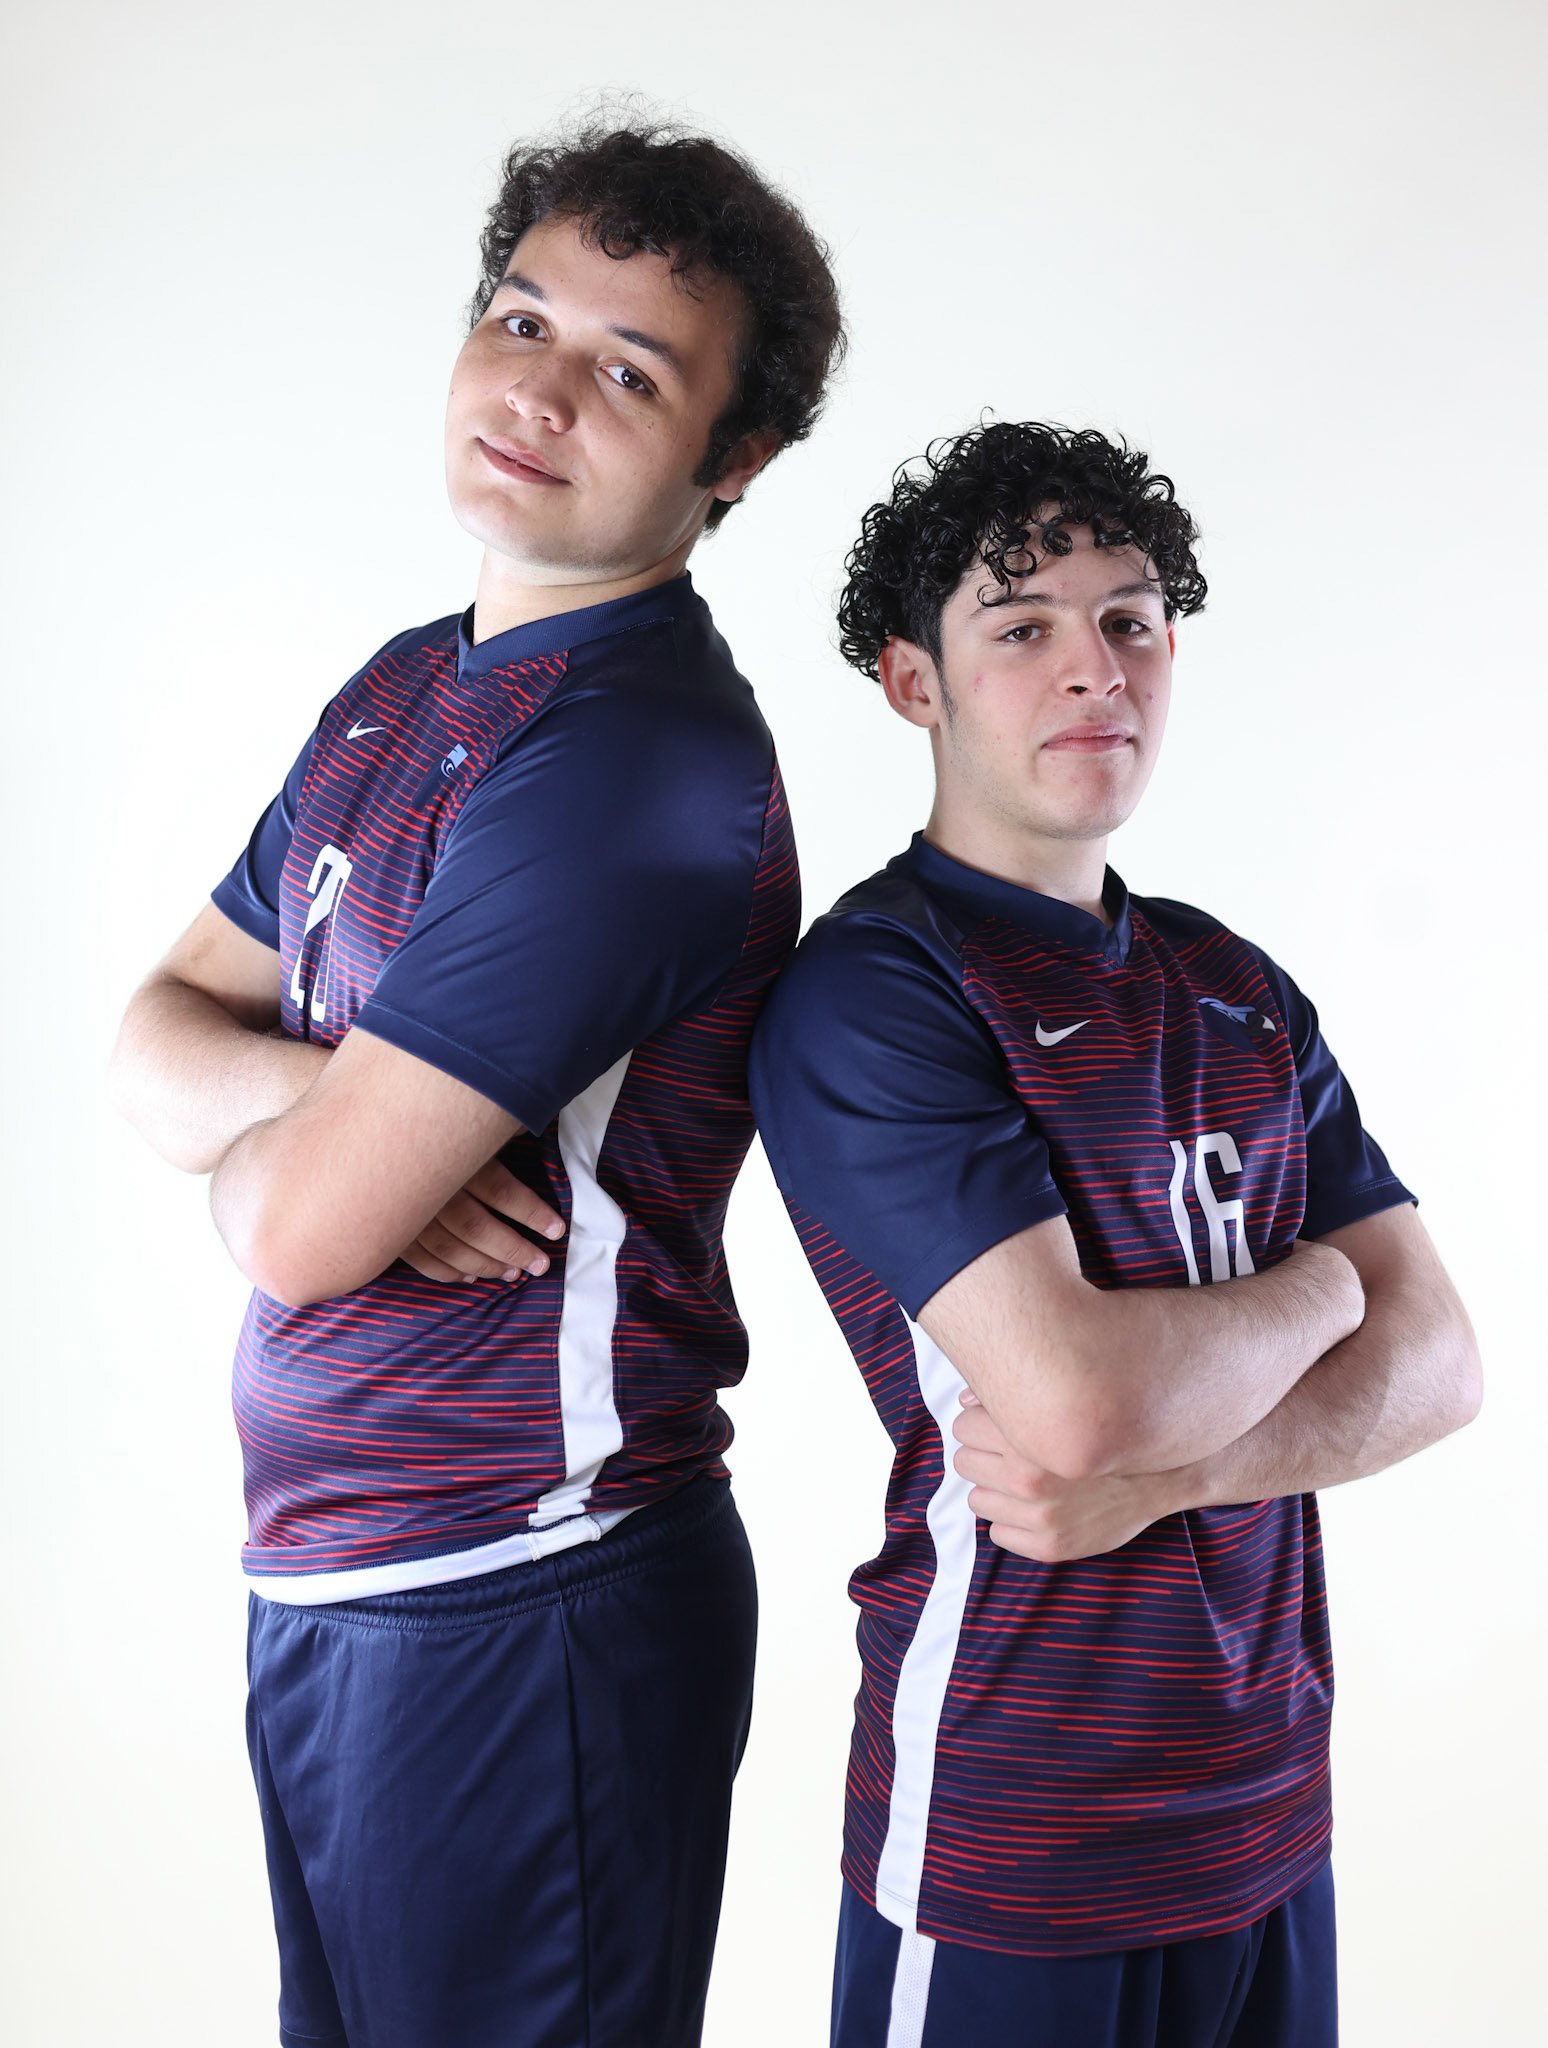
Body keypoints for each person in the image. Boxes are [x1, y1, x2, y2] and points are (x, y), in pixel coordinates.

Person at [110, 116, 842, 2048]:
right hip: (342, 1580)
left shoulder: (636, 771)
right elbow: (151, 1029)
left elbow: (295, 1226)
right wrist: (328, 1130)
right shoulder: (404, 690)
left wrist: (298, 1155)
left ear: (731, 463)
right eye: (522, 317)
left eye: (630, 371)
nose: (539, 390)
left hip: (528, 1595)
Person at [748, 422, 1480, 2048]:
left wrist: (1185, 1469)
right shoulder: (882, 990)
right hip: (1020, 1832)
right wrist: (1319, 1286)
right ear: (911, 684)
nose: (1097, 668)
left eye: (1132, 620)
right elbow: (1077, 1402)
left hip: (1268, 1807)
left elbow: (1442, 1365)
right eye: (1023, 629)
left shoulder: (1235, 983)